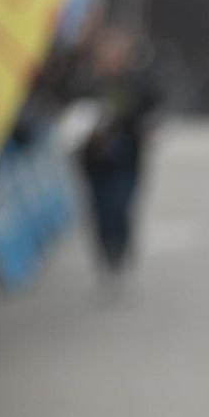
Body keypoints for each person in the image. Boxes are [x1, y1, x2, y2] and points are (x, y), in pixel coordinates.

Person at [78, 27, 160, 295]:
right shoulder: (88, 83)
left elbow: (152, 108)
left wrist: (147, 128)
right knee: (100, 213)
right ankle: (106, 263)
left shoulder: (136, 83)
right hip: (95, 162)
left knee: (121, 208)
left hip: (127, 159)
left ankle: (122, 261)